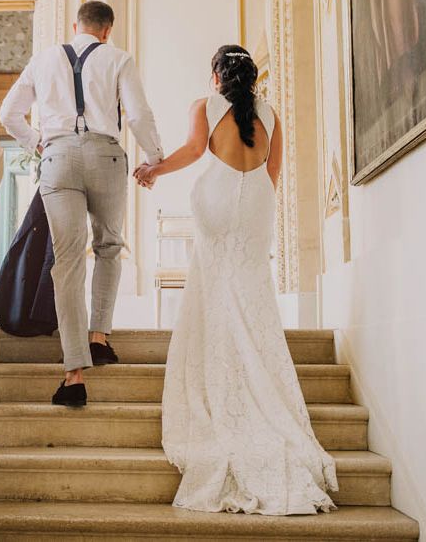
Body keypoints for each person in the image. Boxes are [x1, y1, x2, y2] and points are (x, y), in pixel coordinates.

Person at [134, 45, 338, 515]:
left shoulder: (203, 106)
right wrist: (254, 197)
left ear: (216, 77)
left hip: (217, 197)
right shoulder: (271, 113)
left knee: (213, 284)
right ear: (252, 77)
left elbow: (191, 151)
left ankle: (220, 367)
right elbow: (273, 171)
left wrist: (153, 169)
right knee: (250, 289)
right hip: (258, 202)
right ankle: (255, 370)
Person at [0, 0, 163, 407]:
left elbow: (9, 114)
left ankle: (73, 375)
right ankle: (100, 337)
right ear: (108, 30)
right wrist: (155, 159)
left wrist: (39, 143)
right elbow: (139, 114)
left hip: (57, 159)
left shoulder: (43, 59)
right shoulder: (119, 58)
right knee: (108, 247)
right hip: (106, 155)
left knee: (67, 262)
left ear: (76, 26)